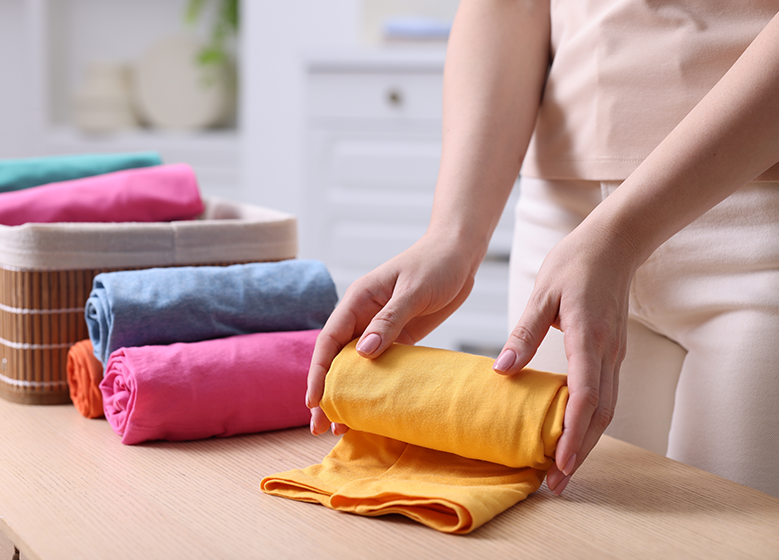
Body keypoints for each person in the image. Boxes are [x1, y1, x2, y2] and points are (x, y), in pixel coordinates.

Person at [306, 0, 779, 498]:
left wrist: (620, 234)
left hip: (753, 220)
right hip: (562, 225)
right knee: (571, 521)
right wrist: (452, 235)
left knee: (737, 522)